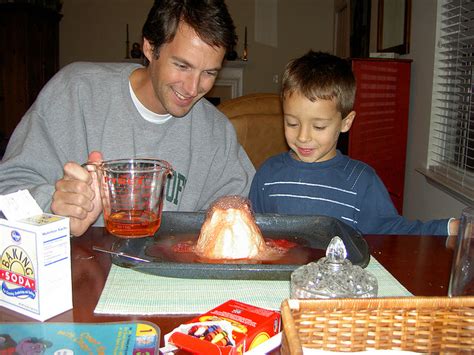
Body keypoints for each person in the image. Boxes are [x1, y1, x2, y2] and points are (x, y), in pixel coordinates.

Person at [0, 0, 255, 237]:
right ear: (149, 47)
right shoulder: (75, 92)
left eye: (209, 73)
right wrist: (54, 210)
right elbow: (7, 190)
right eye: (182, 66)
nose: (193, 88)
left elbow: (244, 210)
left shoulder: (216, 133)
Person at [249, 50, 459, 238]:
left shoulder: (362, 182)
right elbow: (251, 232)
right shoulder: (268, 174)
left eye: (319, 126)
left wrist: (449, 228)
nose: (303, 136)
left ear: (346, 122)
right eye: (292, 123)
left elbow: (395, 233)